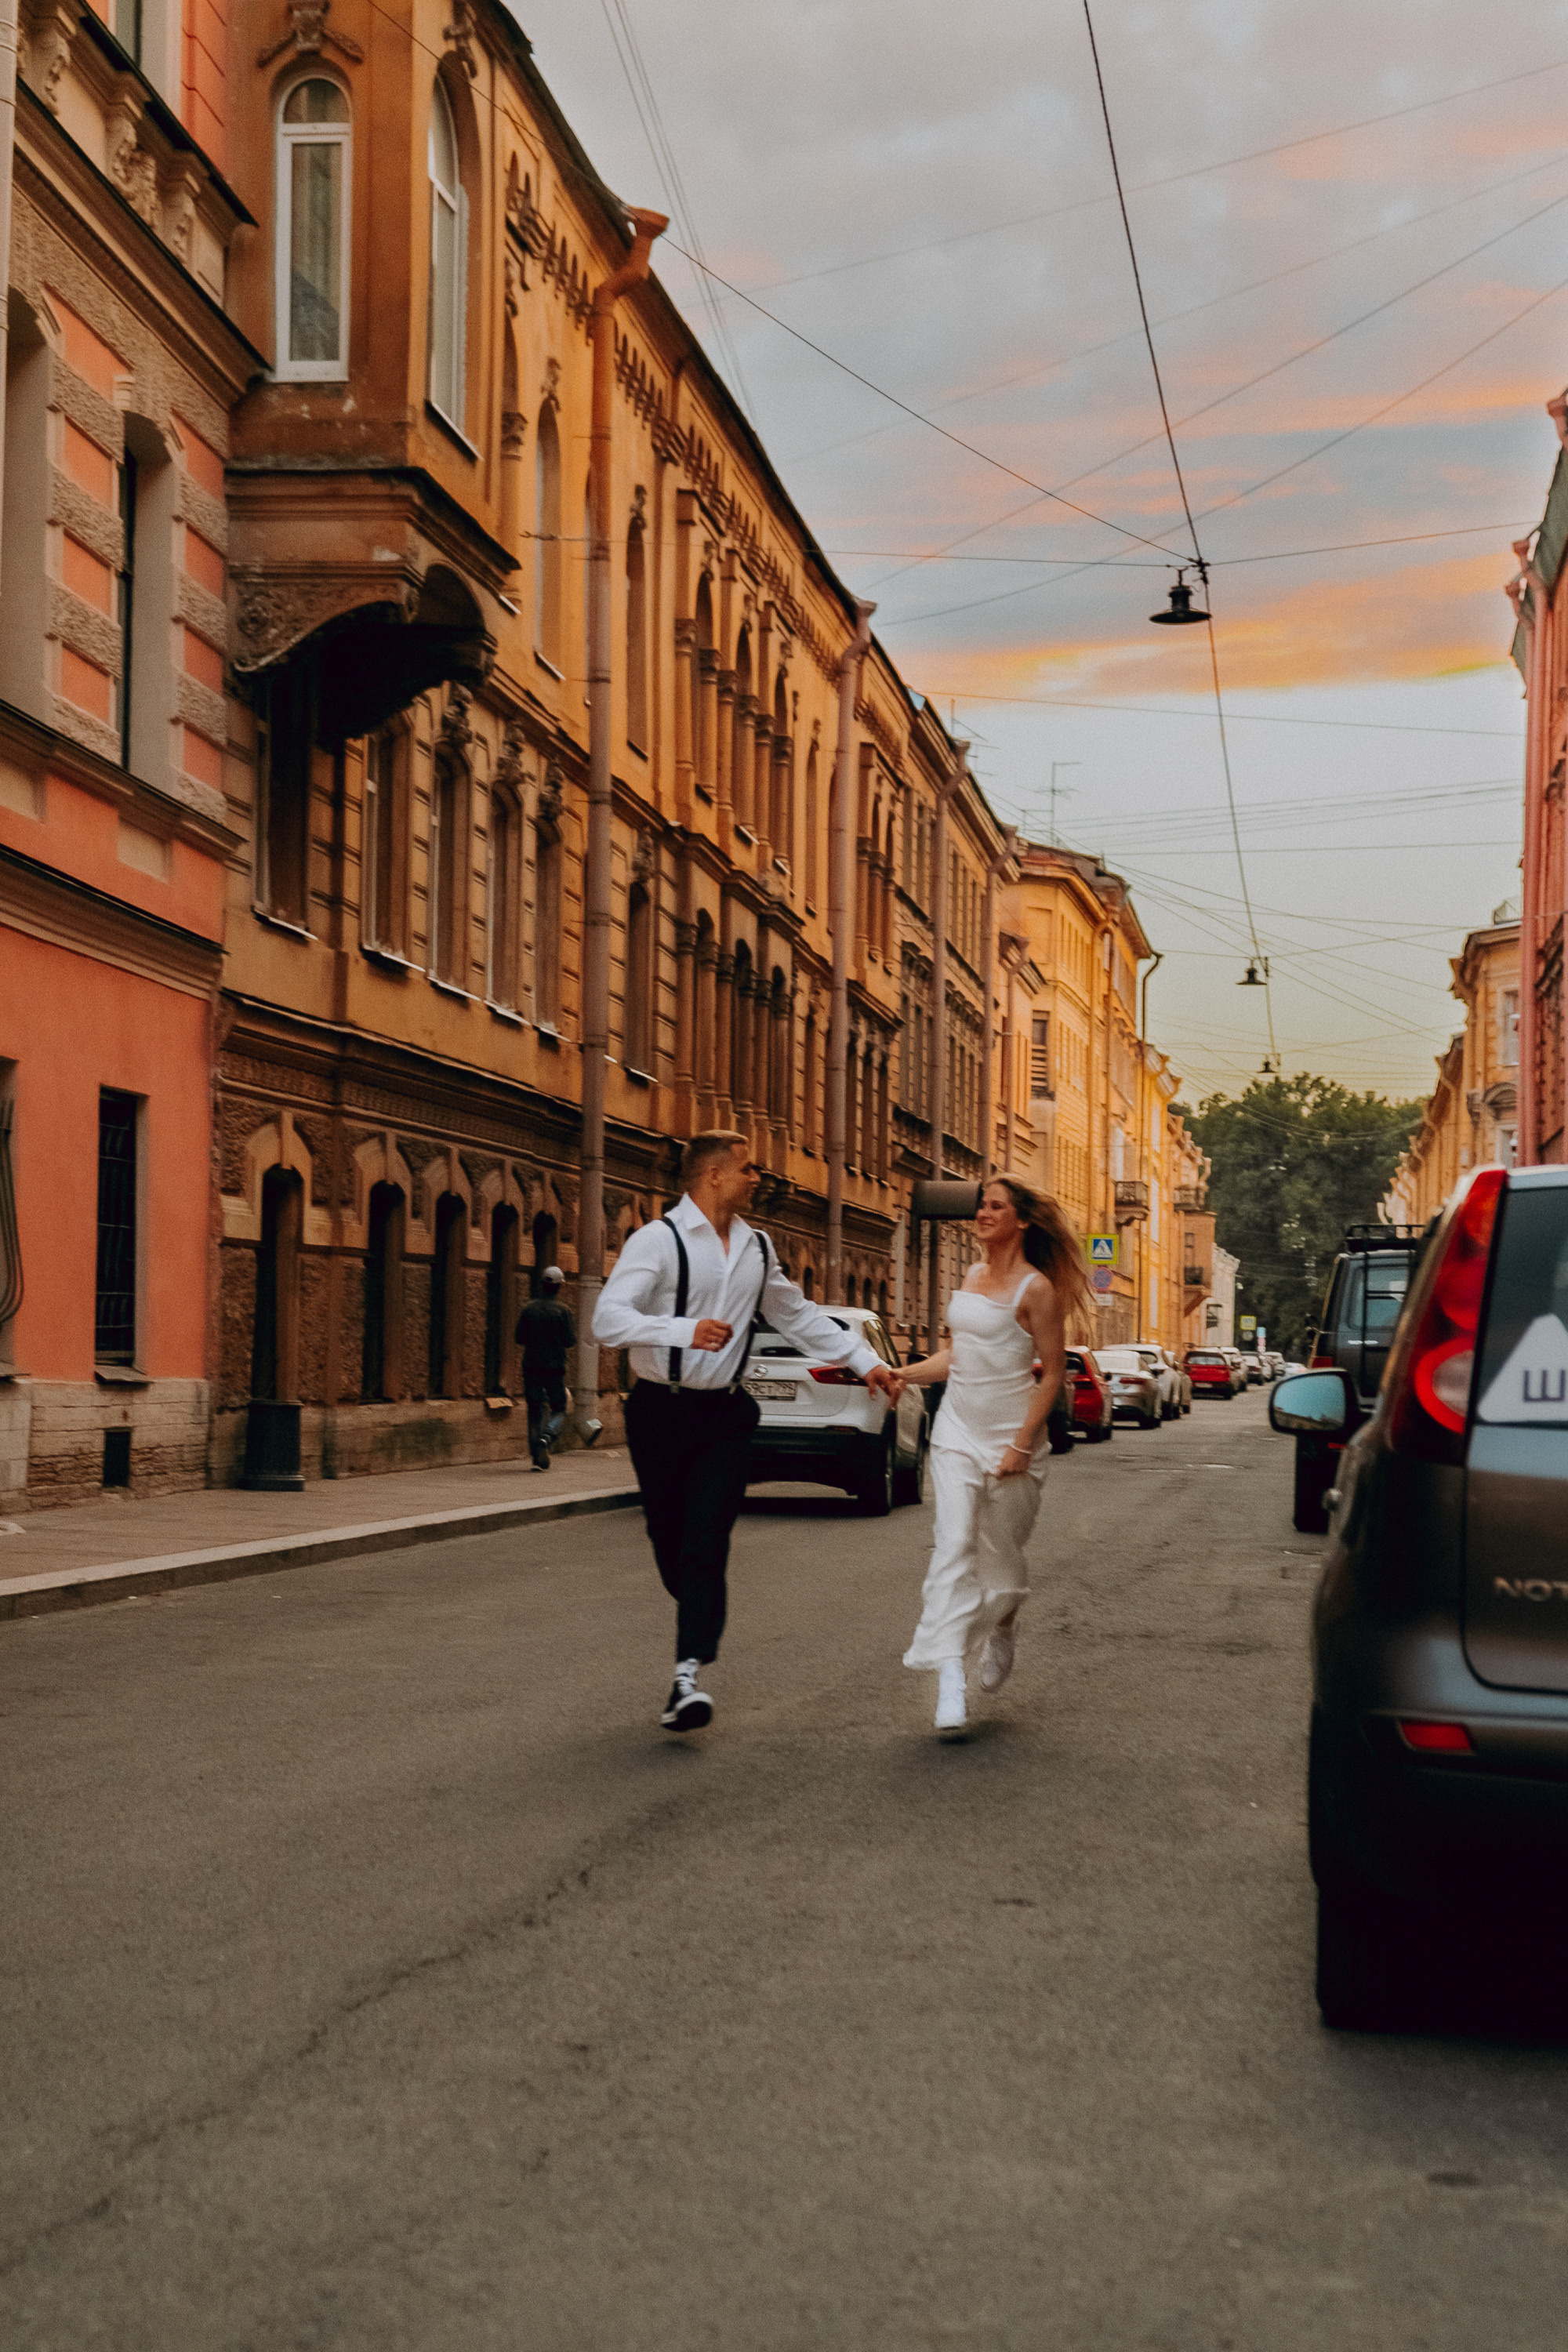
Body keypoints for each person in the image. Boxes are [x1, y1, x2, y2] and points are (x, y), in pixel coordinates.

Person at [593, 1130, 902, 1733]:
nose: (759, 1178)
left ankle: (686, 1677)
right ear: (713, 1175)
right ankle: (697, 1623)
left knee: (708, 1540)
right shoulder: (658, 1241)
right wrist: (684, 1331)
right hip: (661, 1410)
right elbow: (608, 1319)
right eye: (748, 1169)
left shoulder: (758, 1247)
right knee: (671, 1542)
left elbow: (799, 1316)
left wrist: (868, 1363)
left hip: (727, 1415)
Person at [898, 1175, 1095, 1737]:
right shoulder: (972, 1275)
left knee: (1003, 1566)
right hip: (958, 1432)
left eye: (995, 1206)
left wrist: (1019, 1444)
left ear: (1022, 1220)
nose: (982, 1213)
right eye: (981, 1204)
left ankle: (1004, 1621)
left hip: (1014, 1442)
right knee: (954, 1546)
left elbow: (1054, 1375)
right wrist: (901, 1375)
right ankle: (950, 1683)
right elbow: (959, 1358)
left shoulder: (1036, 1289)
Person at [515, 1266, 575, 1471]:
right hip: (555, 1368)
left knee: (534, 1408)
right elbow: (570, 1341)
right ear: (558, 1287)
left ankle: (536, 1456)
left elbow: (519, 1338)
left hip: (531, 1365)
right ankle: (546, 1438)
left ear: (542, 1284)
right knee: (559, 1409)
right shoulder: (564, 1311)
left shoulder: (528, 1309)